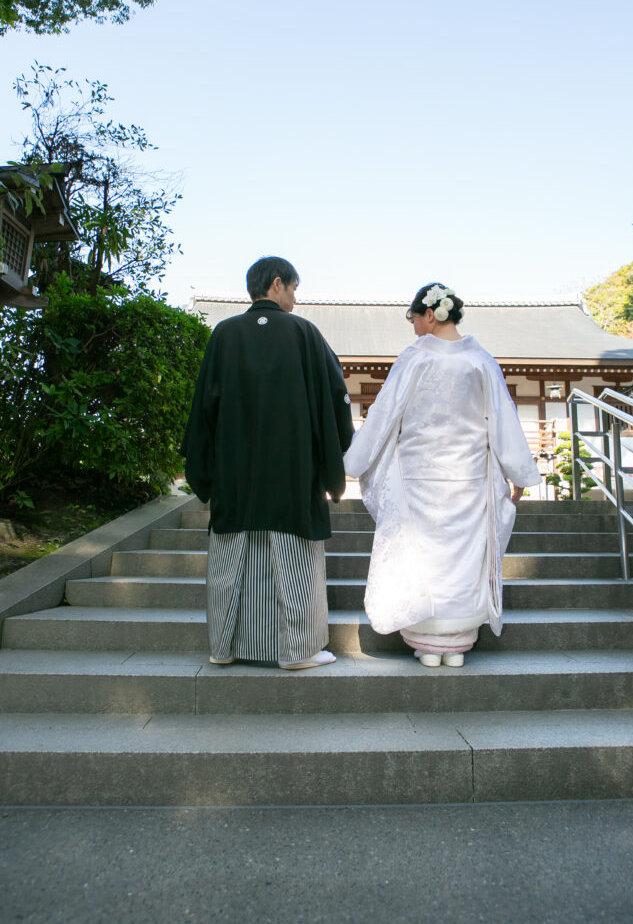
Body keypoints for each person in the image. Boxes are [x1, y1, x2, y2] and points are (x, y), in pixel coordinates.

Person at [343, 283, 541, 668]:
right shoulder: (480, 360)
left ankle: (426, 642)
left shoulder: (415, 359)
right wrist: (517, 472)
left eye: (414, 318)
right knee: (463, 557)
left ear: (430, 314)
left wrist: (354, 463)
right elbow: (502, 420)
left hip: (420, 476)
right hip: (468, 479)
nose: (413, 326)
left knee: (422, 556)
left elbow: (384, 416)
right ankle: (459, 642)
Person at [181, 256, 354, 670]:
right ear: (277, 285)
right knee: (295, 564)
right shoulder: (305, 334)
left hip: (235, 475)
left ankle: (223, 647)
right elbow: (336, 401)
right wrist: (333, 468)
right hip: (294, 474)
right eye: (293, 289)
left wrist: (205, 474)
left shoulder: (224, 334)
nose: (295, 299)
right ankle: (297, 651)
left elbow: (204, 407)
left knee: (229, 561)